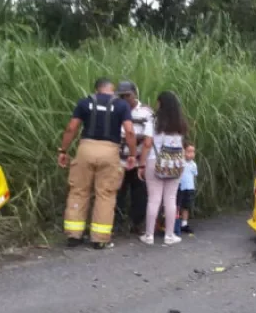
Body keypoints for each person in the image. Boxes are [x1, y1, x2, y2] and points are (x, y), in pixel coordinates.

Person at [58, 78, 137, 249]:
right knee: (106, 194)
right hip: (110, 151)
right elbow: (130, 131)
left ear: (96, 90)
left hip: (86, 148)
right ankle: (99, 238)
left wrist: (63, 151)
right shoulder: (122, 106)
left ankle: (74, 235)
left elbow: (71, 128)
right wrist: (132, 154)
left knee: (78, 191)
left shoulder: (84, 103)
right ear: (112, 89)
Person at [137, 91, 188, 245]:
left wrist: (142, 164)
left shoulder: (153, 121)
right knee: (171, 199)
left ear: (160, 103)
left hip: (155, 161)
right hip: (177, 163)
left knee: (154, 199)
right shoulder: (181, 123)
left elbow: (147, 144)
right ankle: (169, 235)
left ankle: (149, 235)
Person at [115, 80, 154, 234]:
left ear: (134, 94)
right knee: (118, 193)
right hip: (119, 159)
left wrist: (141, 162)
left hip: (138, 160)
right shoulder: (116, 109)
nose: (125, 99)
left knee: (139, 194)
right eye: (122, 96)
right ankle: (116, 224)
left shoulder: (146, 112)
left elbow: (148, 139)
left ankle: (136, 224)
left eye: (128, 95)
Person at [177, 142, 198, 233]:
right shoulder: (181, 162)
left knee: (186, 206)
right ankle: (175, 223)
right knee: (178, 205)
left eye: (193, 152)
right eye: (188, 151)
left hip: (190, 188)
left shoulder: (193, 164)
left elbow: (195, 174)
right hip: (180, 187)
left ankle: (184, 224)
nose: (191, 154)